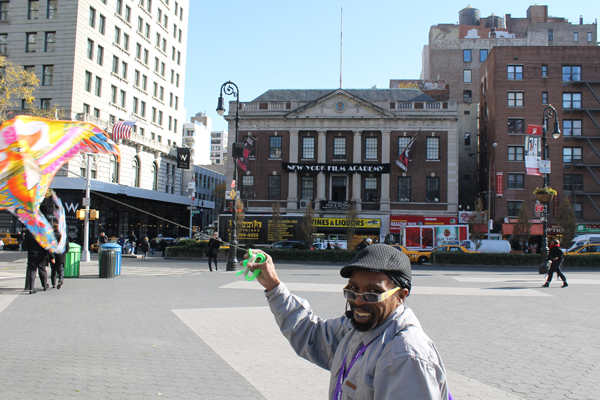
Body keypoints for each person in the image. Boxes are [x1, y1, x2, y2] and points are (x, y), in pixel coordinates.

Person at [246, 244, 449, 399]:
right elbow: (310, 335)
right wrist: (273, 286)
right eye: (352, 290)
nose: (359, 301)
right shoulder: (355, 329)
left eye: (374, 293)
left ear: (401, 296)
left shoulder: (405, 357)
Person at [50, 225, 69, 289]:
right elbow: (67, 246)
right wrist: (64, 252)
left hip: (54, 254)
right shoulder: (63, 236)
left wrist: (51, 256)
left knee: (53, 269)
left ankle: (53, 283)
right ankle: (60, 279)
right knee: (61, 268)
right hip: (61, 254)